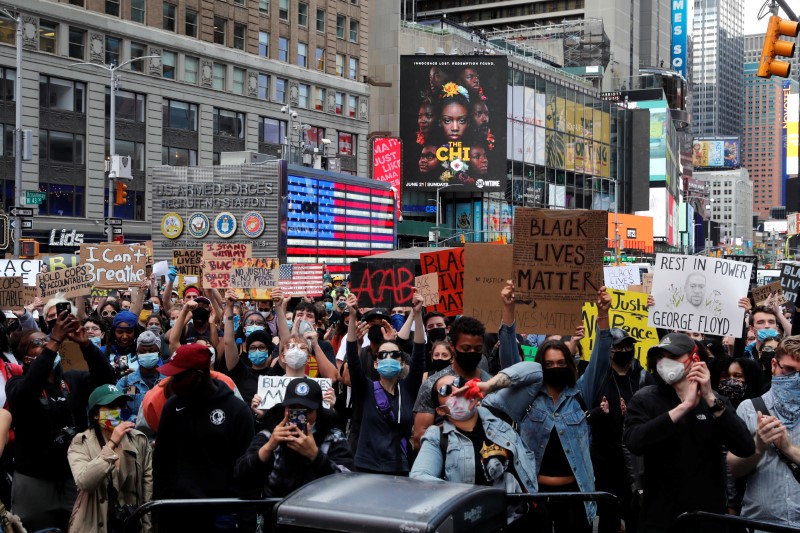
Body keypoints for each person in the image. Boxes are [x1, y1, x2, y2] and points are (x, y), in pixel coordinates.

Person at [499, 282, 612, 533]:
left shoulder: (581, 392)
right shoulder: (527, 396)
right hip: (533, 497)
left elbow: (602, 358)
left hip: (575, 498)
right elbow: (509, 363)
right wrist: (508, 309)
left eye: (561, 362)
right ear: (539, 366)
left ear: (570, 364)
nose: (555, 367)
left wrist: (602, 314)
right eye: (549, 364)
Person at [623, 333, 755, 532]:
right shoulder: (645, 399)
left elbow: (745, 447)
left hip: (706, 517)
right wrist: (683, 408)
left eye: (673, 357)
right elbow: (634, 441)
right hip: (661, 517)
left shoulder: (715, 401)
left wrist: (710, 398)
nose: (664, 363)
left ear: (694, 360)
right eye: (660, 357)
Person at [7, 313, 115, 531]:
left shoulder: (72, 380)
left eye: (47, 340)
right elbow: (28, 391)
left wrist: (86, 346)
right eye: (38, 344)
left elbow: (107, 380)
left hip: (72, 477)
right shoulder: (16, 384)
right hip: (34, 481)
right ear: (25, 358)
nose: (47, 344)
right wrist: (55, 341)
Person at [410, 361, 541, 529]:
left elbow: (536, 372)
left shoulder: (495, 407)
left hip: (527, 521)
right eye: (446, 390)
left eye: (458, 383)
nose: (456, 390)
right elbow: (419, 478)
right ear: (441, 410)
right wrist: (468, 495)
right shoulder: (437, 437)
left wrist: (488, 385)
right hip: (481, 526)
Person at [153, 343, 254, 532]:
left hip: (220, 514)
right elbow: (161, 463)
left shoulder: (237, 411)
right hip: (176, 511)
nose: (172, 383)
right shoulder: (172, 407)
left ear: (198, 377)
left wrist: (246, 521)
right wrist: (158, 512)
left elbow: (247, 473)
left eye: (178, 377)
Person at [345, 292, 425, 474]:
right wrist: (352, 315)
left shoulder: (408, 389)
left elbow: (420, 353)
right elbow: (352, 355)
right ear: (375, 363)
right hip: (367, 468)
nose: (388, 358)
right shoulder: (366, 389)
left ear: (402, 362)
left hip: (399, 468)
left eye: (394, 355)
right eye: (383, 355)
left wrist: (417, 315)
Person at [234, 377, 352, 500]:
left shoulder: (333, 437)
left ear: (318, 411)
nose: (301, 415)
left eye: (307, 410)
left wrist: (315, 456)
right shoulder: (269, 435)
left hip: (319, 512)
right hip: (277, 511)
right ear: (284, 408)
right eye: (293, 408)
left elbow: (348, 483)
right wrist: (269, 447)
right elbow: (241, 475)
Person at [728, 335, 800, 528]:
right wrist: (758, 446)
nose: (796, 379)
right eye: (790, 370)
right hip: (760, 524)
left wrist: (789, 449)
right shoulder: (749, 408)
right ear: (774, 365)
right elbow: (734, 469)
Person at [590, 328, 655, 533]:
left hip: (637, 463)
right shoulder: (597, 378)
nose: (625, 350)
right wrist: (599, 412)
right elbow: (582, 415)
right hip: (605, 462)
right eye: (619, 347)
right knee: (609, 520)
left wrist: (634, 415)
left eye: (628, 346)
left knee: (637, 517)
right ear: (609, 351)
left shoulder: (643, 378)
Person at [67, 384, 153, 533]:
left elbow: (147, 488)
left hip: (130, 524)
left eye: (121, 406)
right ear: (95, 414)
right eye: (111, 407)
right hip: (95, 524)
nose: (118, 411)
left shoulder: (139, 440)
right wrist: (112, 444)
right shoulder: (81, 442)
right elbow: (85, 482)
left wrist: (147, 526)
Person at [412, 316, 492, 449]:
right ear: (452, 347)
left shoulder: (490, 382)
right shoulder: (432, 384)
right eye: (466, 349)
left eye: (477, 349)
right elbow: (419, 437)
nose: (472, 353)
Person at [116, 330, 165, 419]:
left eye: (151, 351)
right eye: (142, 351)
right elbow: (117, 410)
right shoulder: (126, 382)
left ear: (159, 354)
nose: (147, 354)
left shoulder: (167, 381)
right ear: (137, 355)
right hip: (135, 430)